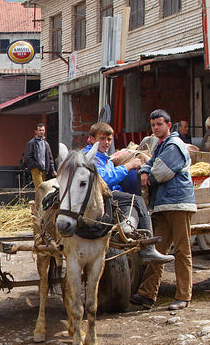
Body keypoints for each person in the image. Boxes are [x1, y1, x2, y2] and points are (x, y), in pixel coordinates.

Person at [131, 110, 197, 311]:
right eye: (153, 125)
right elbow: (149, 164)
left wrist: (147, 176)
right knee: (157, 251)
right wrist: (144, 170)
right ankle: (147, 294)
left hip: (178, 204)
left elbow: (160, 172)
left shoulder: (174, 146)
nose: (156, 128)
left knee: (182, 250)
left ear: (169, 125)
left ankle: (183, 296)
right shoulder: (160, 146)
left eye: (159, 124)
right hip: (163, 205)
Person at [83, 123, 173, 264]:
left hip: (107, 195)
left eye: (109, 139)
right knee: (137, 200)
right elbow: (103, 180)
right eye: (102, 139)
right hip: (96, 196)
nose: (106, 143)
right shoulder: (90, 156)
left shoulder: (104, 157)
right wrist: (128, 166)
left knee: (131, 200)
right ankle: (147, 248)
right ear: (91, 139)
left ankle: (127, 225)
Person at [23, 123, 56, 187]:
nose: (41, 132)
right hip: (36, 169)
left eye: (43, 130)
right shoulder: (32, 143)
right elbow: (27, 157)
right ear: (36, 131)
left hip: (44, 169)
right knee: (40, 187)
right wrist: (34, 166)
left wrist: (53, 170)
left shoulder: (46, 144)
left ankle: (40, 197)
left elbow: (50, 157)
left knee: (43, 188)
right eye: (40, 130)